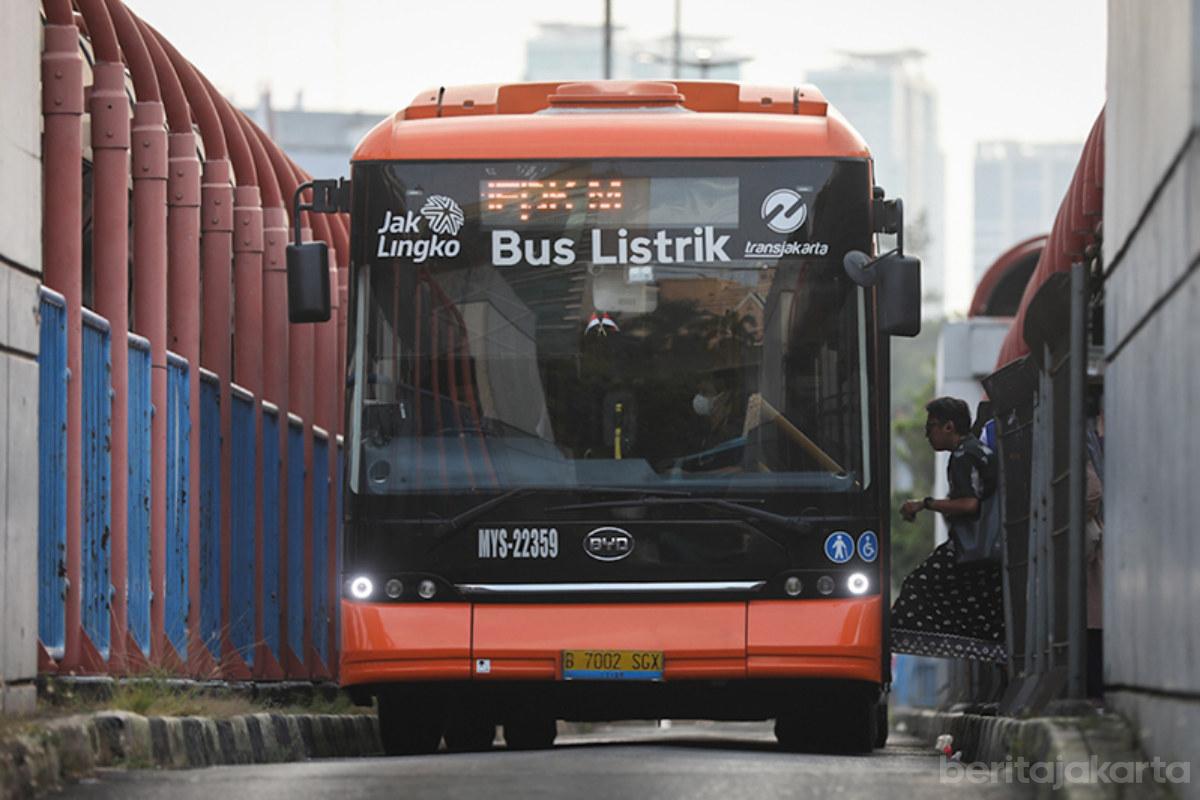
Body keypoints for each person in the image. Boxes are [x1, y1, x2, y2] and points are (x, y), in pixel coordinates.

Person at [891, 396, 1006, 663]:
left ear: (948, 427)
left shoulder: (963, 457)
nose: (927, 434)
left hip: (974, 548)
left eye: (931, 426)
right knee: (986, 616)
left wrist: (924, 504)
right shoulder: (978, 451)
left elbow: (968, 504)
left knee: (917, 587)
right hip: (990, 546)